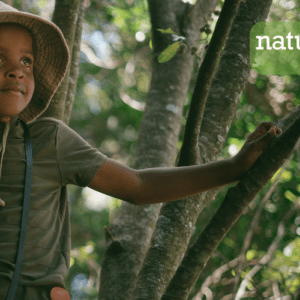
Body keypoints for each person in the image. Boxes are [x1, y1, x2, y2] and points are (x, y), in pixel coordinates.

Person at [0, 2, 282, 300]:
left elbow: (139, 185)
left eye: (27, 61)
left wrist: (233, 168)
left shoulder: (47, 140)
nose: (17, 72)